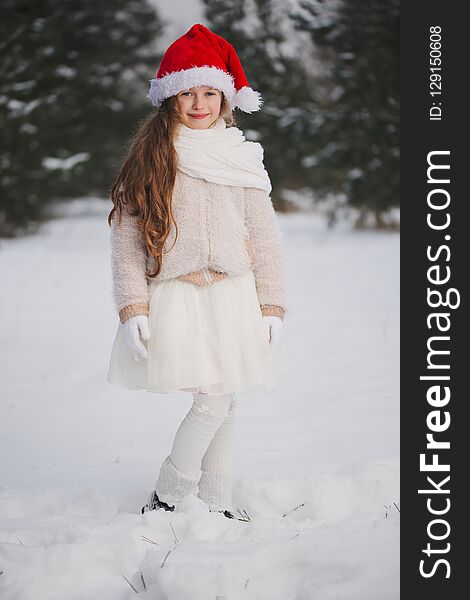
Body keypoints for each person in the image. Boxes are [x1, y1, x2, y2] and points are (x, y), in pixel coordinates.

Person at [106, 23, 290, 520]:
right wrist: (131, 304)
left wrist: (271, 304)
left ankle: (217, 502)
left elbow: (265, 237)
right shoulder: (151, 159)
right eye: (187, 92)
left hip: (232, 293)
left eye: (210, 92)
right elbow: (126, 241)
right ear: (170, 98)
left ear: (226, 98)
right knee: (212, 401)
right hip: (178, 294)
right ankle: (169, 493)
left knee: (225, 401)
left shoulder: (241, 158)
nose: (199, 103)